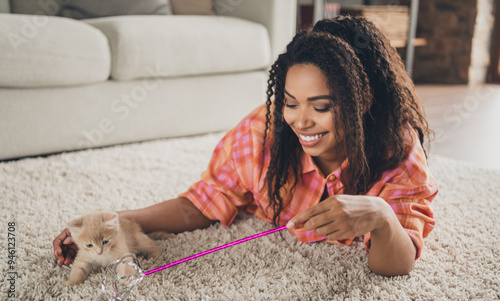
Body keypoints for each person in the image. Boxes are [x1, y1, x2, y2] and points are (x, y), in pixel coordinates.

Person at [54, 16, 438, 276]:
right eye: (290, 102)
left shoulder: (396, 148)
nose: (300, 121)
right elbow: (202, 202)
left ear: (363, 102)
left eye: (321, 107)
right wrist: (114, 222)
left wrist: (381, 216)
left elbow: (397, 264)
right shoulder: (263, 131)